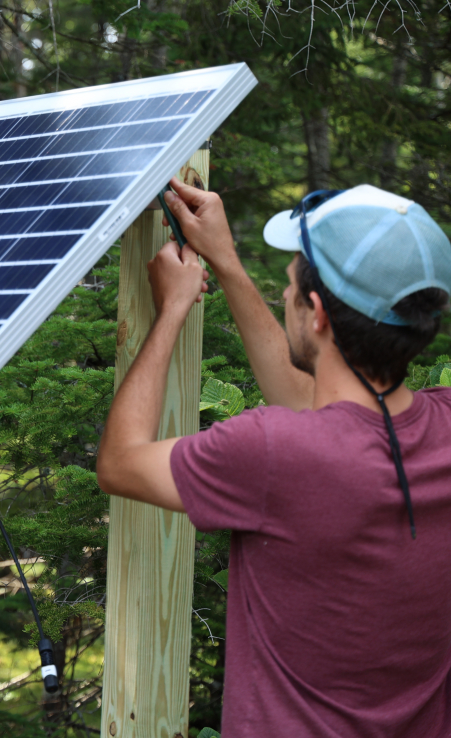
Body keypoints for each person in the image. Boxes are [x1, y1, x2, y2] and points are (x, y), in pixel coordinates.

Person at [95, 181, 451, 737]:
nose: (284, 294)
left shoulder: (271, 451)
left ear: (317, 314)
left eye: (287, 287)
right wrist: (225, 261)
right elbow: (320, 405)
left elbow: (121, 461)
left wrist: (171, 311)